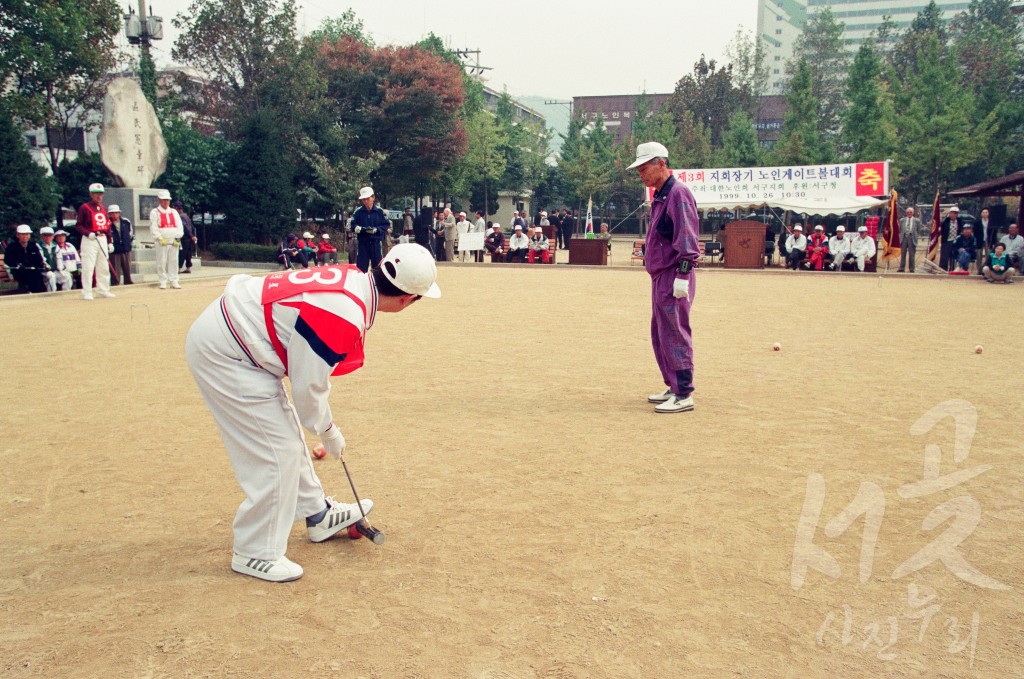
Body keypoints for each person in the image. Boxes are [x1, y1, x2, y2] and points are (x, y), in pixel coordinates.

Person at [184, 243, 440, 582]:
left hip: (238, 336)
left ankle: (317, 514)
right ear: (409, 299)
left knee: (286, 433)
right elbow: (307, 389)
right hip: (226, 351)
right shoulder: (342, 315)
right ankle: (254, 552)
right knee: (279, 451)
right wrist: (329, 429)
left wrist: (324, 425)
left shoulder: (354, 279)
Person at [629, 141, 699, 414]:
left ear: (661, 163)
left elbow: (687, 236)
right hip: (661, 275)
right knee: (660, 332)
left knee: (674, 331)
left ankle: (684, 393)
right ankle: (673, 385)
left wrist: (683, 275)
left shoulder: (678, 194)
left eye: (644, 168)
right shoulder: (660, 195)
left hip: (674, 274)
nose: (641, 175)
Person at [75, 182, 115, 300]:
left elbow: (107, 226)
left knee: (103, 265)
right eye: (96, 194)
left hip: (102, 238)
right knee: (88, 265)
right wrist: (88, 233)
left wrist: (109, 241)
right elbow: (78, 225)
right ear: (91, 194)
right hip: (90, 239)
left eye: (101, 194)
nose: (99, 197)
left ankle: (103, 289)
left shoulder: (103, 208)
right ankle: (87, 291)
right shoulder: (84, 207)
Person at [149, 189, 184, 290]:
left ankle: (174, 280)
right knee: (161, 262)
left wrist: (178, 238)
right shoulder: (155, 212)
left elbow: (179, 226)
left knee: (174, 261)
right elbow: (153, 227)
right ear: (159, 200)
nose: (166, 202)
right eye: (164, 200)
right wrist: (159, 238)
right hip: (162, 242)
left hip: (173, 241)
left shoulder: (174, 212)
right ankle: (163, 281)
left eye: (167, 200)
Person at [351, 186, 390, 273]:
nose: (365, 201)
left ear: (373, 197)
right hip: (363, 244)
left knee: (377, 268)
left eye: (367, 199)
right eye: (363, 199)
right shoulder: (358, 211)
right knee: (361, 269)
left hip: (375, 243)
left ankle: (377, 285)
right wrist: (356, 228)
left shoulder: (380, 212)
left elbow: (386, 224)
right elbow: (352, 225)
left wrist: (377, 229)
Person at [4, 225, 47, 293]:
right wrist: (17, 264)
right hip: (19, 271)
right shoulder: (12, 246)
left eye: (27, 234)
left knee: (37, 276)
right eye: (23, 234)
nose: (25, 236)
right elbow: (8, 259)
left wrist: (41, 265)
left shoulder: (33, 245)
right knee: (29, 276)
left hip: (33, 270)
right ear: (18, 235)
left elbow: (39, 259)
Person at [108, 204, 134, 286]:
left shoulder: (126, 222)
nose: (114, 215)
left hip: (125, 248)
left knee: (127, 269)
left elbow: (130, 234)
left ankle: (128, 282)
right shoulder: (107, 223)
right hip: (114, 249)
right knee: (115, 270)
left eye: (116, 213)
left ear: (119, 213)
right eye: (112, 213)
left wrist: (128, 244)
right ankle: (115, 284)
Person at [898, 207, 924, 273]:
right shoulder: (902, 220)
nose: (909, 213)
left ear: (913, 213)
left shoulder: (917, 220)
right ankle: (901, 268)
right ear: (906, 213)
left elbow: (918, 230)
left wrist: (914, 236)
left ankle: (912, 268)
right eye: (908, 212)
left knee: (911, 255)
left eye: (911, 212)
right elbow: (900, 229)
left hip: (912, 238)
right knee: (903, 254)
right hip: (903, 238)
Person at [973, 208, 998, 274]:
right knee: (979, 256)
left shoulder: (992, 222)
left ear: (988, 213)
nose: (984, 214)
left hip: (988, 240)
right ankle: (979, 270)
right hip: (979, 240)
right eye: (983, 212)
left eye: (986, 212)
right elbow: (975, 232)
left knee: (989, 255)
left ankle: (987, 269)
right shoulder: (977, 222)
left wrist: (994, 242)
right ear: (981, 214)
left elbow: (994, 233)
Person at [37, 226, 62, 292]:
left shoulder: (55, 245)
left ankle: (65, 295)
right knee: (51, 276)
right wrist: (46, 266)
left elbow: (59, 257)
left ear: (53, 236)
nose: (48, 237)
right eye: (45, 235)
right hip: (44, 271)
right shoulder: (38, 245)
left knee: (67, 276)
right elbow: (42, 259)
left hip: (55, 270)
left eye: (50, 235)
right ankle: (51, 294)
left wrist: (60, 268)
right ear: (41, 236)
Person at [175, 200, 197, 274]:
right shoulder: (186, 215)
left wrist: (191, 236)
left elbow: (185, 227)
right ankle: (188, 267)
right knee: (188, 253)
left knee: (182, 253)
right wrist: (193, 235)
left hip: (185, 237)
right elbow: (192, 227)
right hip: (189, 238)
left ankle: (179, 268)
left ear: (176, 208)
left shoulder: (180, 216)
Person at [939, 206, 963, 271]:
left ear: (957, 214)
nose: (952, 215)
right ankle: (943, 269)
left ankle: (952, 269)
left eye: (954, 213)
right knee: (944, 256)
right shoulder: (945, 222)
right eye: (951, 213)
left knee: (953, 256)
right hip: (946, 241)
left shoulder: (959, 222)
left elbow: (961, 230)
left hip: (956, 241)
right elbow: (942, 231)